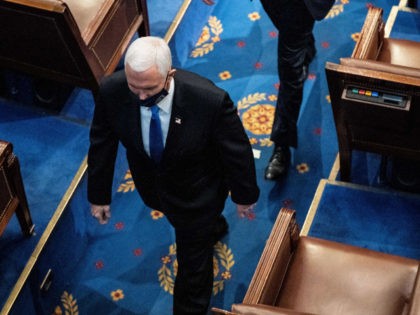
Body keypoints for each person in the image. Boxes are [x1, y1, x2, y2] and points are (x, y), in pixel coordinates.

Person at [87, 36, 259, 315]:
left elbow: (236, 151)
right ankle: (214, 228)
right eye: (134, 87)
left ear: (170, 75)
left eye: (149, 89)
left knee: (193, 264)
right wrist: (98, 195)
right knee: (195, 229)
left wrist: (244, 195)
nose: (141, 97)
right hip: (154, 190)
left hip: (200, 193)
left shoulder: (209, 100)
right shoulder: (111, 90)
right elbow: (101, 143)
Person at [261, 0, 335, 180]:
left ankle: (282, 145)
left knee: (290, 73)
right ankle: (305, 45)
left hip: (300, 4)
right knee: (289, 29)